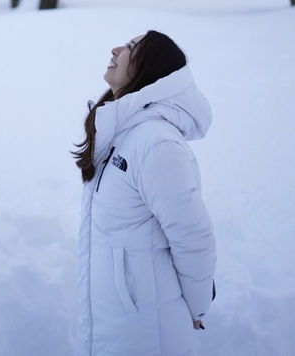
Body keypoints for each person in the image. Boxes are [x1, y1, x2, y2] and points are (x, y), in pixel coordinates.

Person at [73, 30, 216, 356]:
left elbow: (193, 237)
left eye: (131, 47)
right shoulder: (122, 134)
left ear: (150, 69)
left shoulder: (156, 142)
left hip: (149, 332)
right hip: (118, 324)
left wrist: (197, 308)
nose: (115, 48)